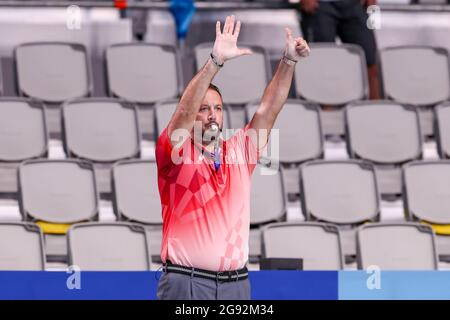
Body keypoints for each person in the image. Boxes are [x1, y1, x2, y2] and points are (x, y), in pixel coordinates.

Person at [155, 15, 310, 300]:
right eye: (203, 108)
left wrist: (288, 63)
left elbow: (267, 111)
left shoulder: (240, 150)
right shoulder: (174, 151)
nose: (212, 114)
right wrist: (215, 62)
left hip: (237, 285)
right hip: (187, 283)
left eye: (217, 108)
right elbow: (182, 115)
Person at [299, 0, 380, 99]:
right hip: (320, 4)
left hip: (355, 4)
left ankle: (374, 110)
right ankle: (325, 112)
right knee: (321, 63)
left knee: (370, 60)